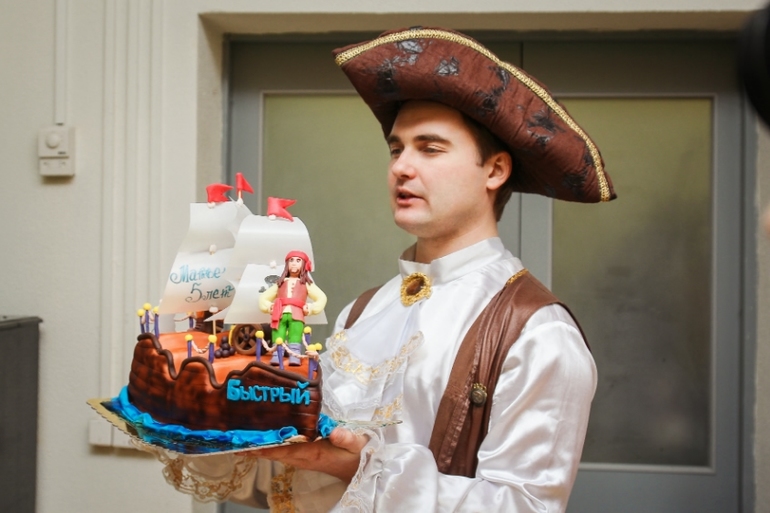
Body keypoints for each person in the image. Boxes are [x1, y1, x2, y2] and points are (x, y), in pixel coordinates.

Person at [157, 27, 616, 512]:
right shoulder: (363, 310)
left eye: (430, 148)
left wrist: (364, 467)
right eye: (397, 149)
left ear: (495, 170)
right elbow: (293, 487)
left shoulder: (537, 331)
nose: (401, 167)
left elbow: (527, 507)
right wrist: (208, 414)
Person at [259, 251, 327, 366]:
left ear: (304, 265)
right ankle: (276, 355)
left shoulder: (306, 284)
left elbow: (321, 297)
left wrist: (311, 308)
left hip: (297, 314)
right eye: (291, 260)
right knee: (278, 334)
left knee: (295, 335)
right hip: (279, 314)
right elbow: (264, 297)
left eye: (298, 261)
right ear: (287, 264)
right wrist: (269, 306)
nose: (294, 263)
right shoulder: (280, 283)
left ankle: (294, 356)